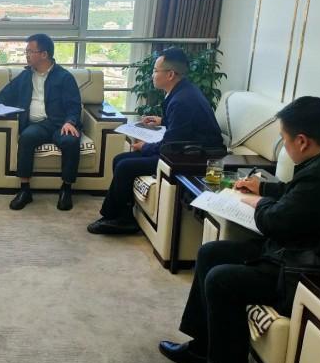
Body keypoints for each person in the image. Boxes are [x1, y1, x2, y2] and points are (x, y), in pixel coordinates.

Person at [158, 96, 320, 363]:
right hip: (296, 249)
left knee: (222, 279)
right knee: (211, 253)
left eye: (284, 140)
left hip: (303, 270)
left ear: (302, 141)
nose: (285, 147)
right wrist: (265, 188)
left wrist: (259, 202)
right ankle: (203, 347)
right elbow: (297, 194)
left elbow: (276, 222)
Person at [88, 47, 223, 234]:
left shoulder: (182, 100)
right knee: (120, 159)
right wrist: (162, 121)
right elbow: (183, 127)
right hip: (184, 148)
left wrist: (145, 147)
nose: (152, 75)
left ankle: (117, 219)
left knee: (125, 165)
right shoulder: (182, 91)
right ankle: (122, 215)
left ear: (170, 74)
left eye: (155, 70)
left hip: (192, 156)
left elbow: (171, 145)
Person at [0, 33, 82, 211]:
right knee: (26, 138)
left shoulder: (64, 77)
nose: (27, 55)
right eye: (26, 52)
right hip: (37, 125)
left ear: (44, 54)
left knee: (70, 141)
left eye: (30, 51)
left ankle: (66, 188)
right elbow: (6, 94)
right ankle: (25, 190)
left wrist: (70, 121)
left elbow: (74, 105)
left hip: (60, 124)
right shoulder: (26, 75)